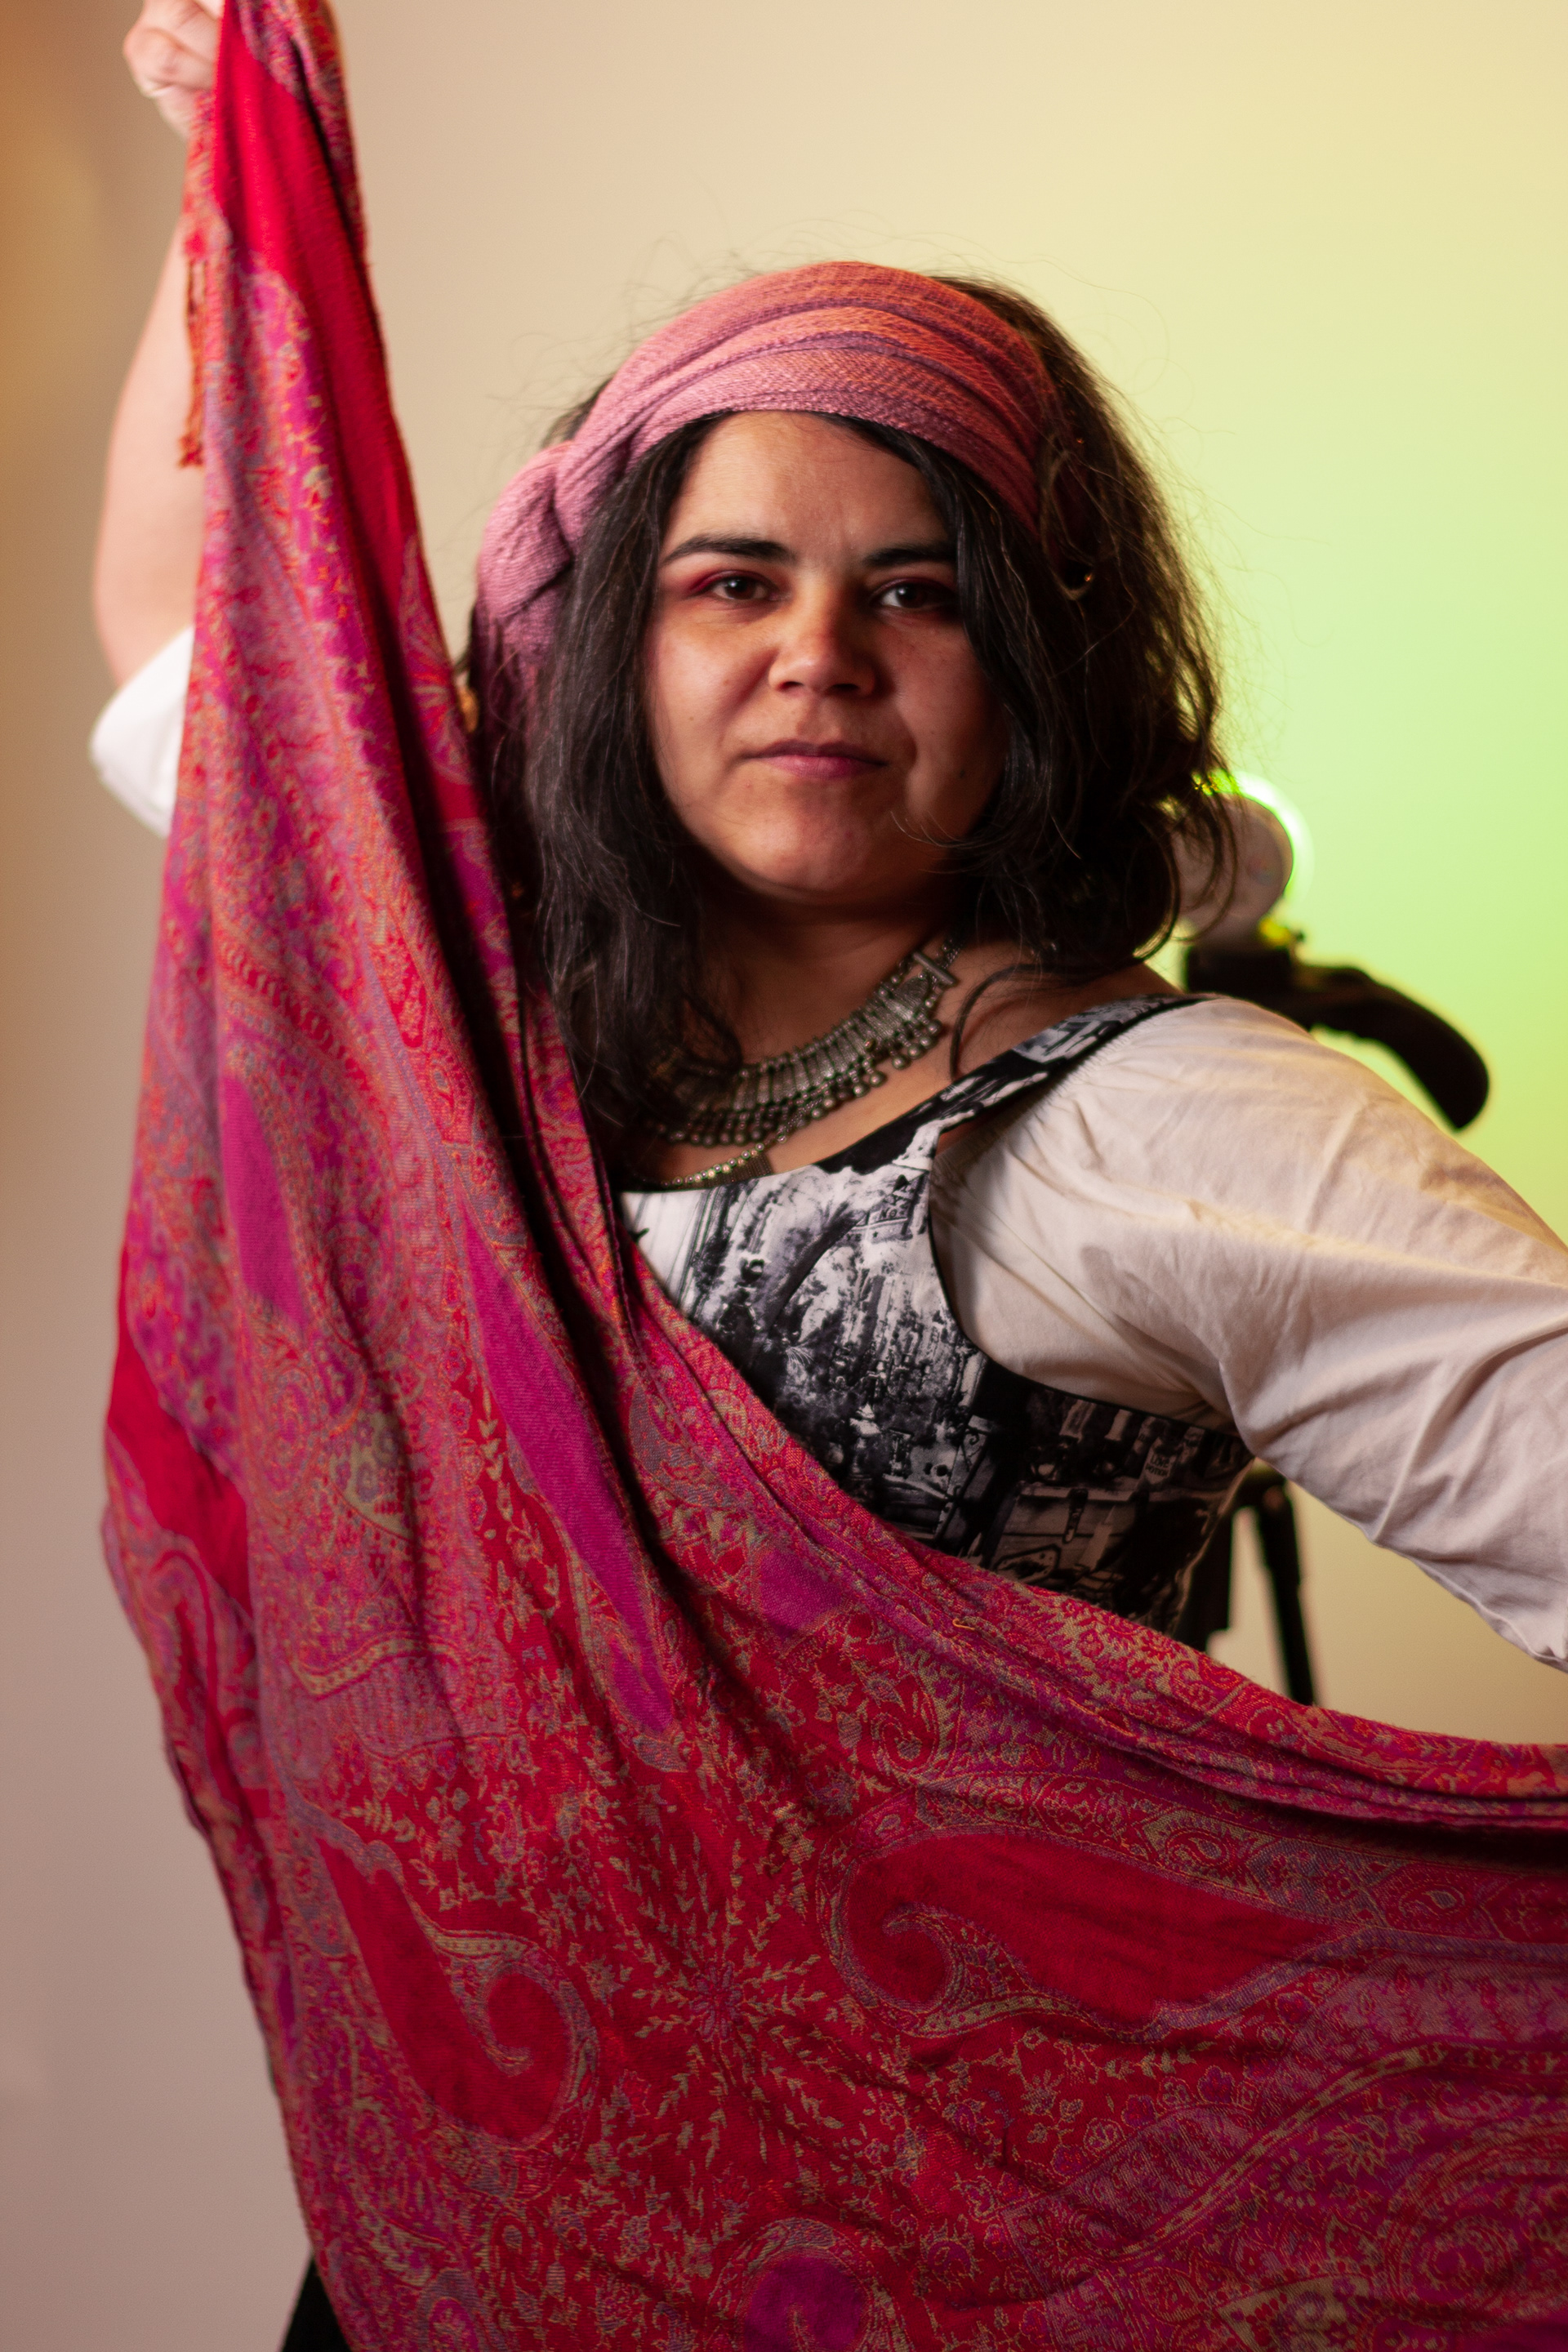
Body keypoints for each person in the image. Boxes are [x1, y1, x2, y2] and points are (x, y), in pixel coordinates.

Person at [97, 6, 1568, 2345]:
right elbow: (194, 647)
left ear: (1037, 663)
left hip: (937, 2274)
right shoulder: (460, 1032)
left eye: (919, 590)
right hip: (449, 2264)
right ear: (619, 641)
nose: (820, 658)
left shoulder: (1161, 1124)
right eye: (733, 582)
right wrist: (227, 174)